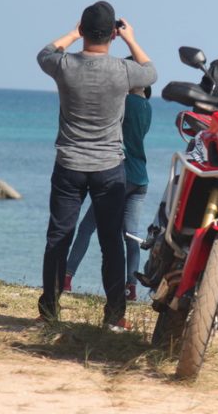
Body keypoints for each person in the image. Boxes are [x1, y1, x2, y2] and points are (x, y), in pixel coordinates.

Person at [36, 1, 156, 331]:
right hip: (108, 168)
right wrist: (131, 39)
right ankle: (114, 316)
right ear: (113, 35)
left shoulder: (64, 65)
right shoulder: (122, 70)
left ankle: (49, 312)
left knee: (58, 238)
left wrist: (72, 35)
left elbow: (44, 53)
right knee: (111, 243)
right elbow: (150, 72)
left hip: (69, 164)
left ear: (84, 30)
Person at [63, 83, 153, 302]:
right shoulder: (147, 107)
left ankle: (66, 277)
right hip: (140, 177)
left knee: (86, 228)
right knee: (131, 235)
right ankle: (131, 287)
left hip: (119, 174)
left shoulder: (125, 101)